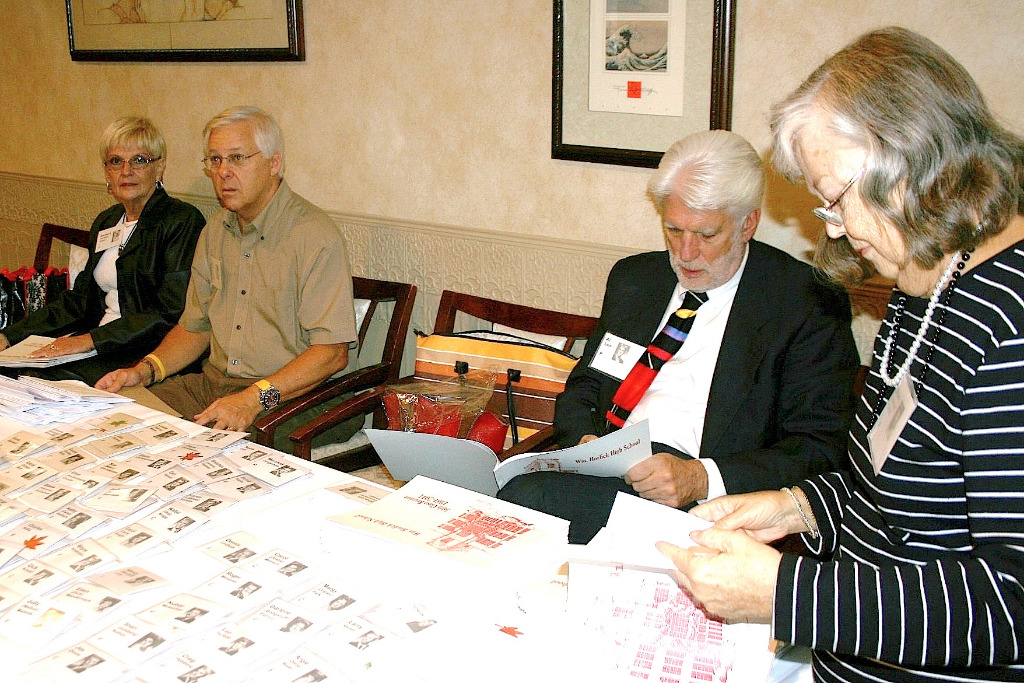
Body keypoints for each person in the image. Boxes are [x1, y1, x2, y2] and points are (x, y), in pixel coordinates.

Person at [658, 27, 1024, 683]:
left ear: (910, 162)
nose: (838, 230)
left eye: (836, 199)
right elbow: (896, 493)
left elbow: (1011, 599)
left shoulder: (1009, 325)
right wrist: (797, 505)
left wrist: (786, 595)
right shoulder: (926, 274)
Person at [499, 130, 859, 543]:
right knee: (514, 504)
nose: (686, 253)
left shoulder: (804, 301)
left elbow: (820, 446)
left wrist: (701, 478)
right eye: (673, 230)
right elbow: (587, 384)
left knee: (527, 504)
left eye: (706, 235)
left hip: (707, 503)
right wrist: (587, 444)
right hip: (607, 471)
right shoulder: (635, 280)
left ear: (748, 224)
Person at [96, 106, 357, 439]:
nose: (223, 172)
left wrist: (252, 399)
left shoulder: (314, 235)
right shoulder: (216, 229)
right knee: (117, 420)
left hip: (294, 396)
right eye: (215, 160)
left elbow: (332, 354)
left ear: (274, 163)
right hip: (215, 386)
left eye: (237, 159)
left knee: (213, 453)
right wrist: (145, 371)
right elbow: (194, 328)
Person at [0, 116, 205, 385]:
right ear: (106, 171)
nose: (126, 170)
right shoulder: (107, 221)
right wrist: (11, 335)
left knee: (39, 383)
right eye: (116, 161)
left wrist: (87, 342)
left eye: (139, 160)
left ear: (160, 166)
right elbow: (80, 300)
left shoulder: (182, 221)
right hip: (100, 342)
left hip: (148, 353)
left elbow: (167, 313)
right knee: (10, 371)